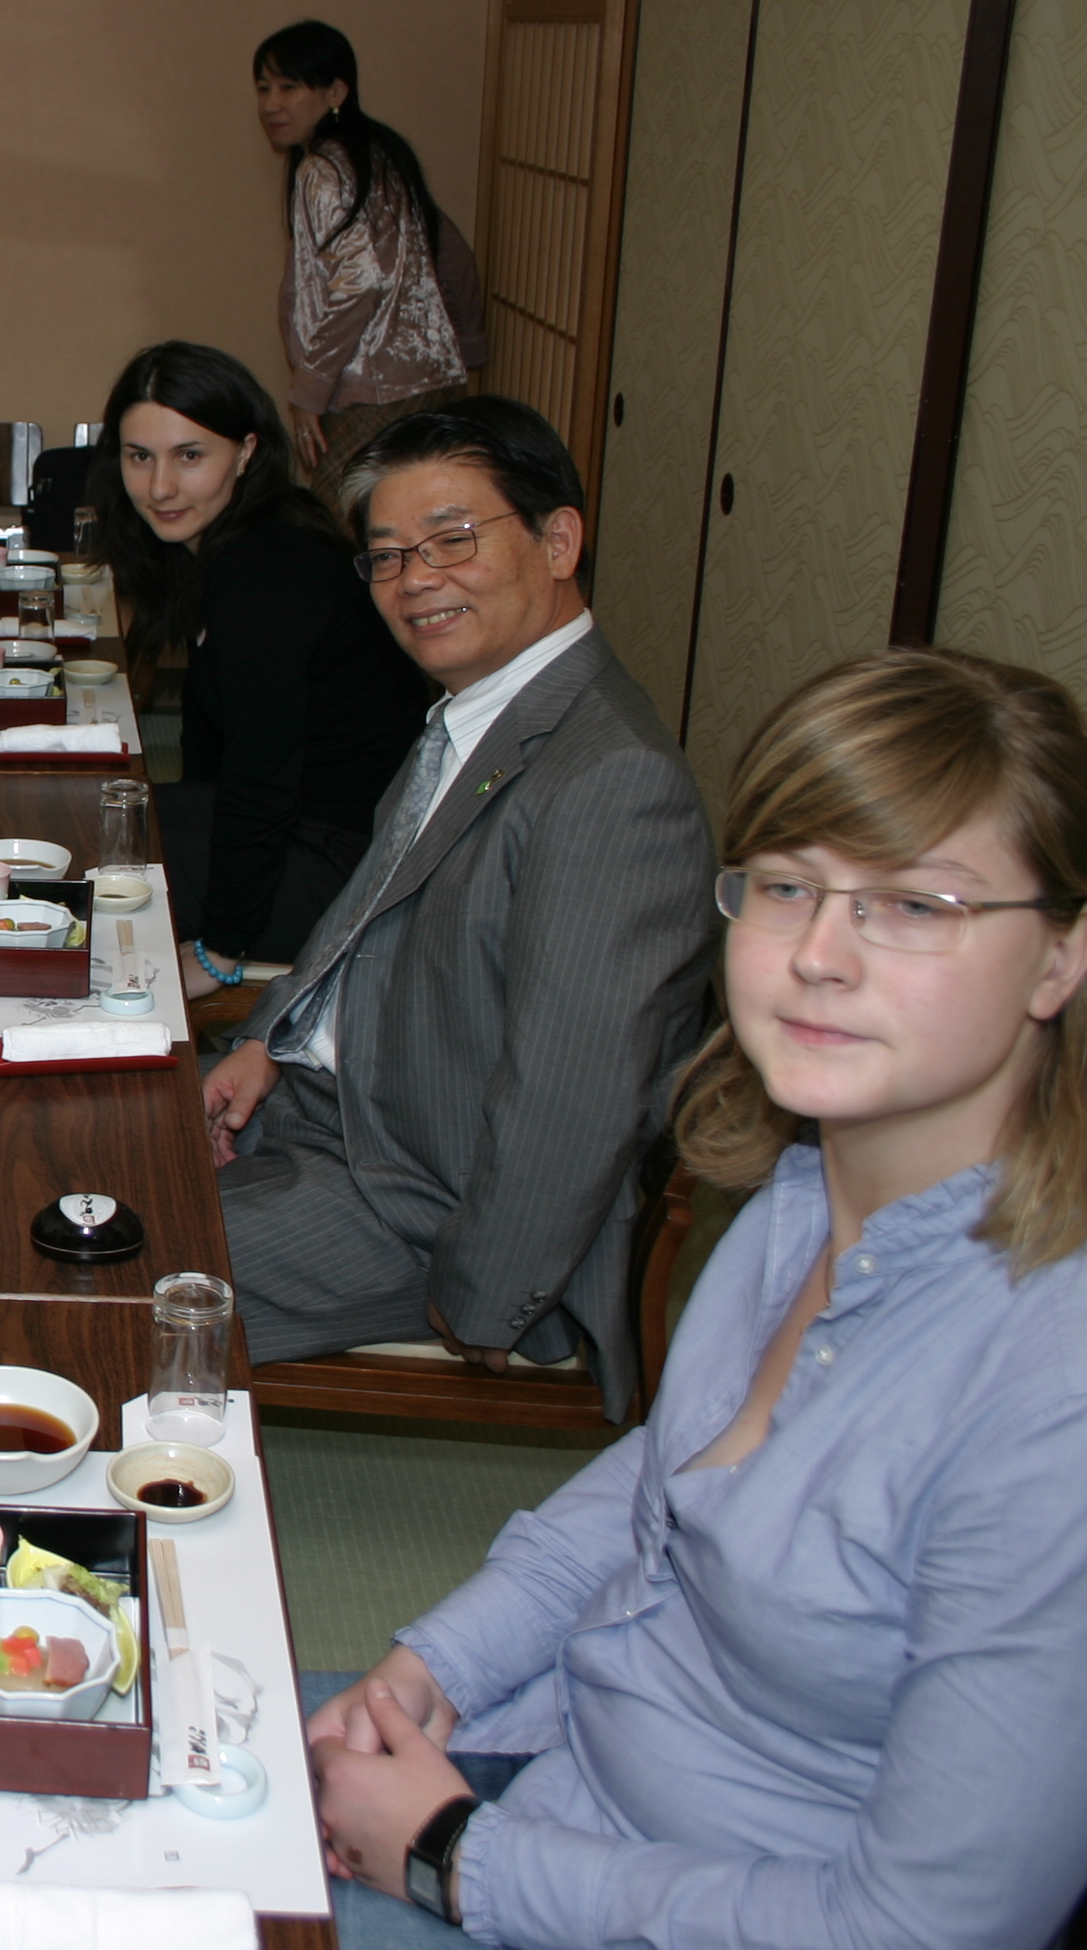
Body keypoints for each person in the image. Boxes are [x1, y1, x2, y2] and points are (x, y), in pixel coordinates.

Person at [303, 647, 1087, 1950]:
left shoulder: (1053, 1389)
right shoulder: (805, 1193)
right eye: (787, 885)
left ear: (1060, 959)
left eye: (916, 904)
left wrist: (456, 1859)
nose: (820, 955)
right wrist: (437, 1661)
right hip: (552, 1753)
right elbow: (665, 1482)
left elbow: (925, 1924)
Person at [205, 397, 717, 1403]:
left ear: (559, 540)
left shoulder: (612, 781)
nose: (415, 579)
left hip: (420, 1204)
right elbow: (362, 911)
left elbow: (571, 1093)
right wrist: (267, 1040)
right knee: (58, 1147)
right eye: (388, 556)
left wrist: (485, 1293)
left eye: (452, 540)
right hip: (332, 1105)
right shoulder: (484, 711)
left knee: (74, 1268)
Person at [83, 341, 432, 986]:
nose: (160, 486)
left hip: (352, 866)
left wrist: (221, 947)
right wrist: (192, 812)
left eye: (190, 456)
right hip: (307, 824)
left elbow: (260, 772)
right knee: (89, 821)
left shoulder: (266, 569)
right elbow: (213, 737)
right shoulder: (233, 543)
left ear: (246, 452)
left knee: (81, 876)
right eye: (140, 456)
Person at [255, 20, 488, 495]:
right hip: (436, 384)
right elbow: (454, 256)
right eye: (263, 88)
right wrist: (468, 348)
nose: (271, 104)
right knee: (416, 519)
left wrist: (308, 392)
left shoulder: (322, 169)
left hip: (369, 394)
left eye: (289, 87)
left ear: (336, 91)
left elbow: (361, 280)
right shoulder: (381, 154)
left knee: (350, 523)